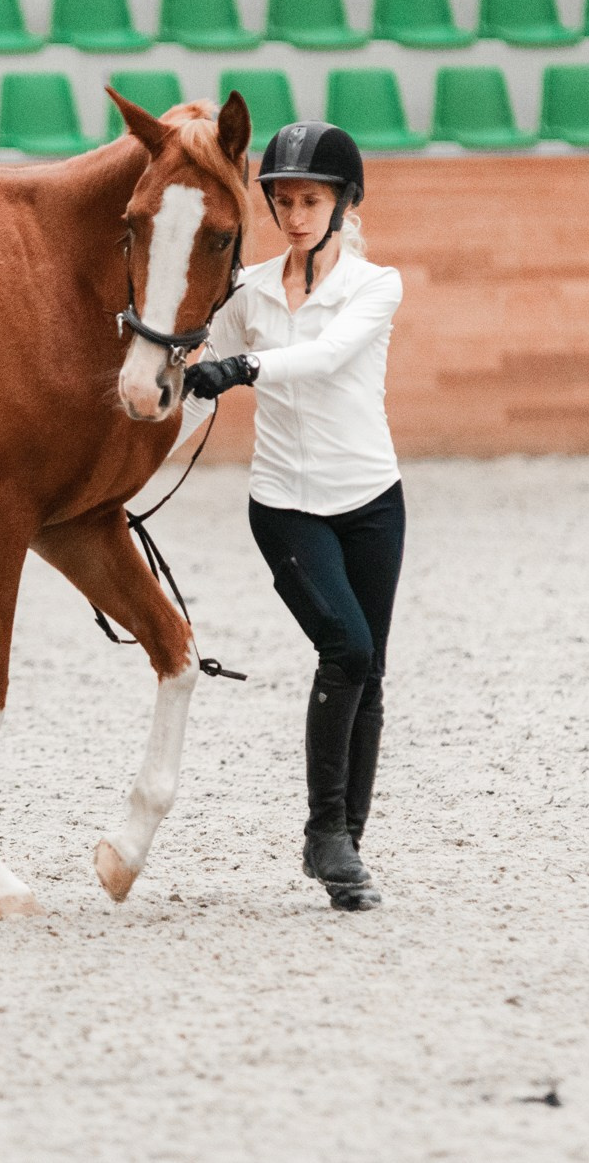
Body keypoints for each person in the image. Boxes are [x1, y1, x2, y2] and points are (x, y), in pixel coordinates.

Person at [173, 120, 405, 912]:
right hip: (286, 506)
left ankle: (344, 846)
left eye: (311, 199)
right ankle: (324, 833)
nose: (296, 214)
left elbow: (329, 354)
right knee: (345, 645)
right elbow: (195, 347)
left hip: (372, 499)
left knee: (369, 670)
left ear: (343, 204)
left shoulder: (376, 286)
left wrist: (242, 367)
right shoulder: (253, 292)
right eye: (284, 201)